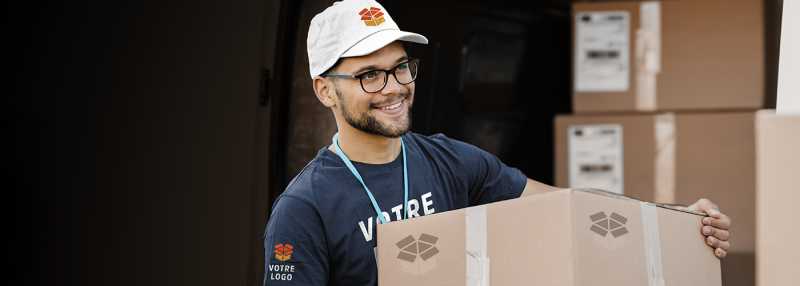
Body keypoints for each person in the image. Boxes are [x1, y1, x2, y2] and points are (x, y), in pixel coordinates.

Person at [263, 0, 731, 285]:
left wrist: (675, 219)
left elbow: (565, 205)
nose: (393, 87)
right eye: (368, 75)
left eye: (401, 67)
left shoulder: (450, 161)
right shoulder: (304, 209)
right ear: (325, 90)